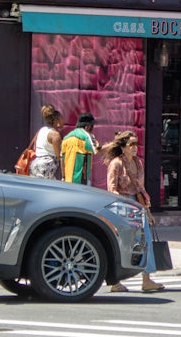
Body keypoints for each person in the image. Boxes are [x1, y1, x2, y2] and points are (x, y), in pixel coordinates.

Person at [101, 131, 164, 293]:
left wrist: (147, 211)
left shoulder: (138, 163)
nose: (135, 148)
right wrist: (124, 204)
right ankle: (115, 281)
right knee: (122, 242)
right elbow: (111, 188)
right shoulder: (116, 164)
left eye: (136, 144)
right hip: (122, 205)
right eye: (131, 144)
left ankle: (147, 279)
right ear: (123, 147)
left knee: (146, 240)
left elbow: (140, 188)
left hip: (137, 204)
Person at [62, 112, 100, 185]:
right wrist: (115, 144)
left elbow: (61, 159)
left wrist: (63, 177)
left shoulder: (66, 138)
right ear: (88, 126)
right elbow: (98, 150)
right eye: (92, 126)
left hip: (68, 181)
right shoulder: (86, 136)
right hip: (81, 181)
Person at [29, 104, 64, 180]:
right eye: (61, 118)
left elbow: (35, 147)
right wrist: (64, 176)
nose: (63, 120)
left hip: (35, 164)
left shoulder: (41, 130)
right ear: (56, 120)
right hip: (46, 166)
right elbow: (59, 156)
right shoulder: (55, 135)